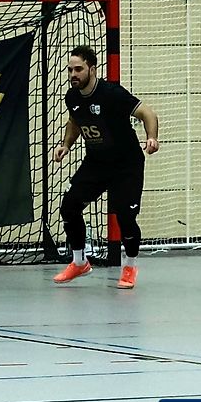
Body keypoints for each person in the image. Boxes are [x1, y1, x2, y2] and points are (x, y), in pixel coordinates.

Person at [53, 45, 159, 288]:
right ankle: (79, 262)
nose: (73, 74)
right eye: (70, 70)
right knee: (69, 207)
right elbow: (74, 121)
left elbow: (148, 113)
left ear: (92, 69)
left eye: (78, 69)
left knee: (125, 216)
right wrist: (66, 145)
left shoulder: (112, 93)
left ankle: (129, 267)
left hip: (126, 165)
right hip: (97, 163)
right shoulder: (72, 97)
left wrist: (152, 138)